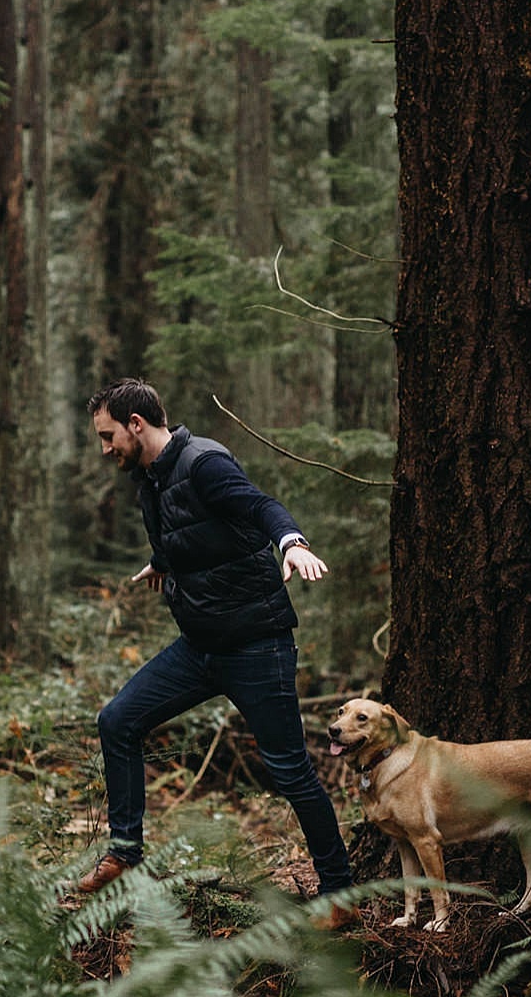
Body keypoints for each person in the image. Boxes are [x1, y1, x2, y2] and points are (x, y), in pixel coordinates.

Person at [79, 379, 356, 925]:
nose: (105, 448)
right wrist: (163, 563)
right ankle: (125, 853)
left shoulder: (204, 462)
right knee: (117, 722)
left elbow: (259, 507)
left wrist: (292, 543)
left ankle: (340, 896)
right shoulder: (148, 481)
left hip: (257, 646)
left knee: (290, 771)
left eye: (109, 436)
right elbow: (186, 535)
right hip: (199, 648)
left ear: (137, 424)